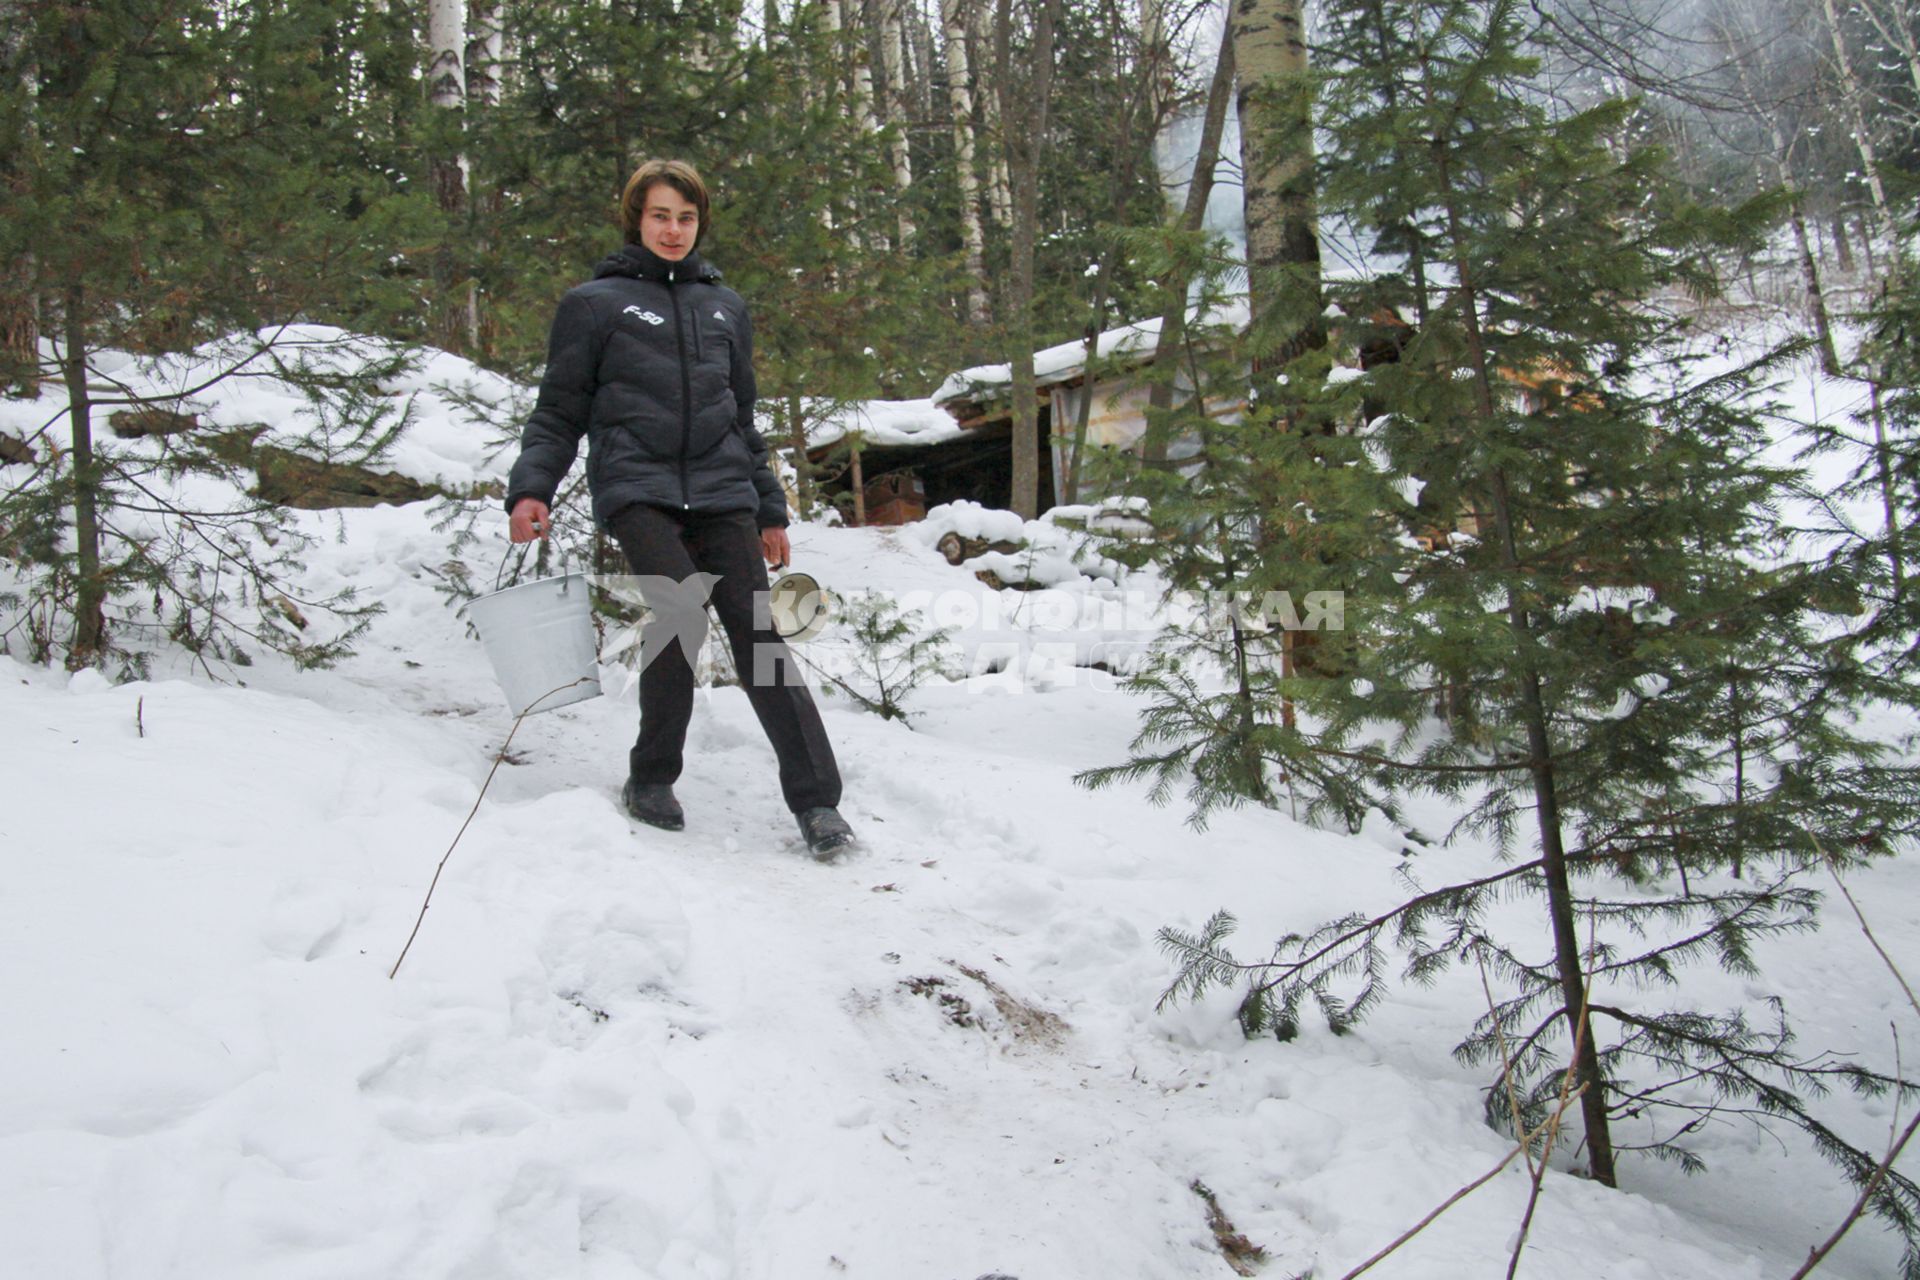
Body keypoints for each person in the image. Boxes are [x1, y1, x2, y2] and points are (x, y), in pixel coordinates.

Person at [502, 158, 855, 858]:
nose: (673, 229)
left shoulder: (724, 308)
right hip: (638, 487)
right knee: (680, 608)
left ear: (700, 223)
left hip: (723, 490)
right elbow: (559, 410)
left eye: (686, 217)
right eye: (660, 215)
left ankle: (817, 802)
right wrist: (531, 487)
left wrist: (770, 510)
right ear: (637, 217)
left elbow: (742, 418)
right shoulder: (594, 304)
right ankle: (653, 777)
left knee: (759, 637)